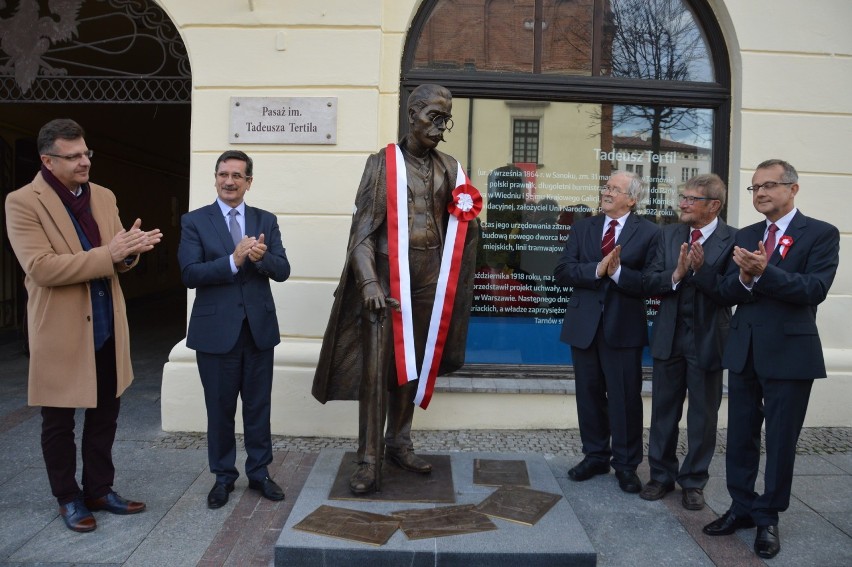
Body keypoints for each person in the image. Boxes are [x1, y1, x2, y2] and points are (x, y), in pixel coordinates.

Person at [312, 84, 479, 494]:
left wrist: (470, 216)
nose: (441, 127)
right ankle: (368, 459)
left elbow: (464, 227)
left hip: (431, 282)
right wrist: (367, 280)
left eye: (446, 119)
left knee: (414, 368)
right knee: (376, 372)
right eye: (434, 117)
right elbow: (362, 233)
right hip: (386, 281)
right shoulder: (381, 164)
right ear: (412, 114)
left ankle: (398, 442)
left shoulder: (450, 167)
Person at [5, 118, 161, 532]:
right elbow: (40, 268)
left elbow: (117, 255)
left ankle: (99, 488)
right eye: (72, 156)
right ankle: (68, 498)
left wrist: (131, 253)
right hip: (59, 328)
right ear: (47, 161)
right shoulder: (22, 202)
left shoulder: (104, 196)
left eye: (86, 153)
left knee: (106, 413)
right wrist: (110, 254)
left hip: (107, 322)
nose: (83, 162)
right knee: (58, 421)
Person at [702, 160, 839, 559]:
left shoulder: (821, 233)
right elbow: (727, 292)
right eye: (755, 187)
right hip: (745, 349)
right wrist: (745, 278)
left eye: (769, 186)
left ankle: (768, 516)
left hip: (791, 352)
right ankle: (741, 507)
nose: (760, 193)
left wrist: (765, 273)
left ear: (793, 189)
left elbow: (815, 288)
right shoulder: (746, 234)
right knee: (741, 436)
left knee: (780, 441)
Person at [178, 150, 291, 509]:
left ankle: (259, 473)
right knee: (220, 408)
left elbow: (283, 269)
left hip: (257, 331)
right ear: (215, 178)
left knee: (258, 406)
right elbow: (190, 273)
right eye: (224, 174)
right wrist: (233, 259)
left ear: (248, 182)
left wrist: (260, 259)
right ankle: (223, 477)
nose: (230, 181)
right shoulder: (195, 221)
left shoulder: (265, 220)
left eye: (237, 176)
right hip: (216, 334)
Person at [554, 170, 659, 494]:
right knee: (589, 395)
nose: (607, 192)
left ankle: (626, 465)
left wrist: (618, 274)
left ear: (632, 198)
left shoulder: (650, 233)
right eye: (607, 187)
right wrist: (598, 269)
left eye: (615, 189)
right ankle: (595, 455)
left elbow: (651, 282)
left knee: (626, 398)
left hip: (623, 328)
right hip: (584, 326)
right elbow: (562, 271)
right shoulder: (583, 227)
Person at [641, 174, 737, 510]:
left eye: (690, 199)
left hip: (710, 339)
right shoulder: (667, 235)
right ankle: (660, 476)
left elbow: (732, 291)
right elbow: (649, 280)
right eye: (682, 197)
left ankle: (694, 481)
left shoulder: (734, 240)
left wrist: (703, 269)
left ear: (713, 205)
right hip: (669, 336)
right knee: (663, 412)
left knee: (703, 416)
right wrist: (676, 276)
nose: (682, 203)